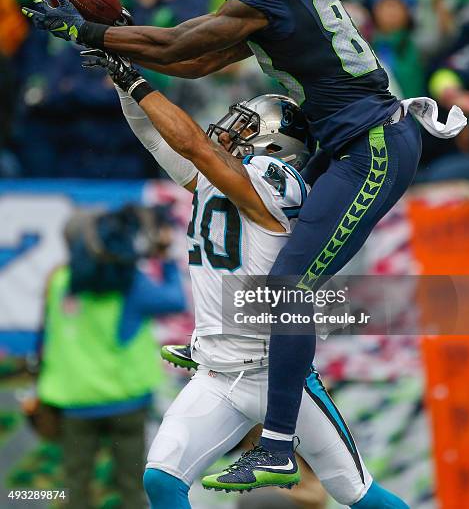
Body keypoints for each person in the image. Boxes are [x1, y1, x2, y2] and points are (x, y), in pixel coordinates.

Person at [23, 0, 465, 492]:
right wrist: (120, 47)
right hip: (352, 142)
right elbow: (194, 63)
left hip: (371, 144)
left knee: (289, 287)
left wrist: (98, 32)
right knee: (285, 285)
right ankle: (229, 337)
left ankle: (278, 443)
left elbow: (180, 48)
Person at [80, 46, 410, 509]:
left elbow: (192, 144)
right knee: (160, 479)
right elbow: (160, 141)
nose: (231, 131)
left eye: (247, 127)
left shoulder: (277, 179)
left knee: (356, 492)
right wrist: (123, 85)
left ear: (278, 144)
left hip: (272, 372)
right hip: (215, 372)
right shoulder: (220, 176)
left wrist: (137, 81)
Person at [37, 204, 187, 509]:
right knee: (132, 486)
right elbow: (175, 300)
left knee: (76, 485)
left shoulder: (59, 282)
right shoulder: (130, 282)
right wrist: (165, 258)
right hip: (127, 399)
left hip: (74, 400)